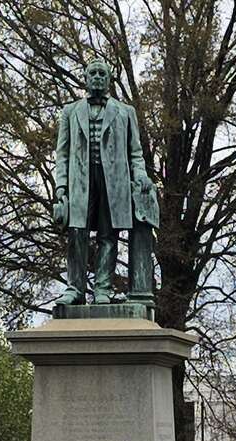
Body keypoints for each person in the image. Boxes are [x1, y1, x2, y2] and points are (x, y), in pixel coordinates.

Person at [53, 59, 156, 306]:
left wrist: (140, 175)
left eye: (102, 73)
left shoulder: (125, 111)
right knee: (77, 232)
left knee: (108, 235)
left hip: (114, 182)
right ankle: (75, 288)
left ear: (108, 79)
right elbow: (63, 153)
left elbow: (135, 152)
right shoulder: (70, 111)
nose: (97, 77)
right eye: (93, 73)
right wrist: (61, 186)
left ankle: (102, 289)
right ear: (86, 79)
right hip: (81, 180)